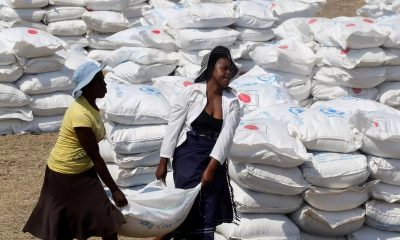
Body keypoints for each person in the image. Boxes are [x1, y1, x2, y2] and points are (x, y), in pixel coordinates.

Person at [23, 61, 128, 240]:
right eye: (100, 82)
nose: (105, 85)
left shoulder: (91, 105)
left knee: (105, 218)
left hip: (83, 171)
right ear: (88, 87)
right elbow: (95, 156)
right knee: (63, 225)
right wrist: (115, 189)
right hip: (63, 174)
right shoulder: (80, 114)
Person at [155, 46, 241, 240]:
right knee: (186, 202)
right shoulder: (190, 94)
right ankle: (164, 236)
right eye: (223, 68)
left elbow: (225, 138)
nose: (228, 72)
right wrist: (163, 161)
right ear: (211, 69)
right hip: (188, 155)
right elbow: (173, 127)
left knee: (207, 207)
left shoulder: (232, 101)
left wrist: (211, 168)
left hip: (215, 158)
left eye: (230, 69)